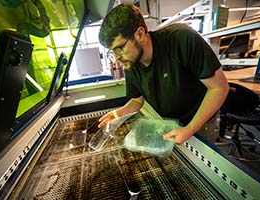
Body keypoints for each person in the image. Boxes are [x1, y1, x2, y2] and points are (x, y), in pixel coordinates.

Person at [98, 3, 229, 145]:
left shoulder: (181, 39)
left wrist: (190, 129)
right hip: (170, 124)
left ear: (140, 34)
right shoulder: (131, 62)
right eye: (112, 51)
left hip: (199, 122)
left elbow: (219, 88)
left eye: (120, 48)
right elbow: (137, 100)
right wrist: (119, 113)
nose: (116, 57)